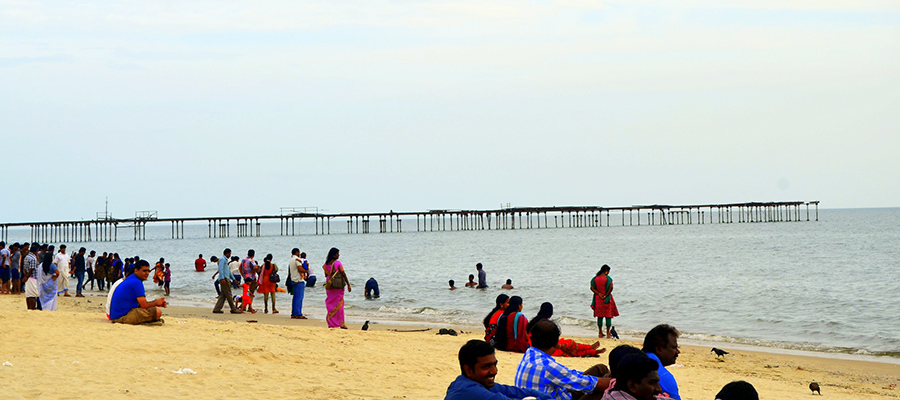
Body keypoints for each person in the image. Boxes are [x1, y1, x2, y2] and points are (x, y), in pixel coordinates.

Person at [514, 320, 610, 400]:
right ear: (556, 344)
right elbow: (586, 383)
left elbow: (569, 376)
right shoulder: (547, 366)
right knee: (602, 390)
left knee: (600, 369)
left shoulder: (529, 354)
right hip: (562, 397)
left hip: (556, 393)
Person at [444, 339, 552, 400]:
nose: (494, 371)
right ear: (468, 370)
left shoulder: (477, 383)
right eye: (486, 366)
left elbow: (515, 392)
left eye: (494, 365)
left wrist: (545, 397)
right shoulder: (468, 391)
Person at [528, 302, 606, 358]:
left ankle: (590, 349)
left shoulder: (536, 321)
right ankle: (591, 350)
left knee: (569, 344)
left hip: (540, 345)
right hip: (543, 346)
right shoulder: (543, 323)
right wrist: (560, 346)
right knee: (569, 345)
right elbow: (544, 340)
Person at [109, 260, 167, 324]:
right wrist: (156, 302)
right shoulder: (137, 282)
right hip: (122, 316)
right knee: (157, 312)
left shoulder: (131, 278)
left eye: (148, 271)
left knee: (152, 310)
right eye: (144, 271)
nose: (147, 273)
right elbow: (144, 305)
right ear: (136, 271)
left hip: (116, 315)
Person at [641, 324, 681, 400]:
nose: (678, 352)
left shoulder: (632, 361)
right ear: (659, 349)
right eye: (674, 347)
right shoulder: (662, 376)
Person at [323, 247, 351, 329]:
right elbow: (343, 273)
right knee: (339, 304)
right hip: (337, 285)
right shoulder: (337, 263)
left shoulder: (326, 264)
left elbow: (326, 275)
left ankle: (331, 323)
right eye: (337, 254)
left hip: (329, 284)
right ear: (334, 255)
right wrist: (348, 283)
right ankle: (341, 323)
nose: (338, 255)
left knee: (331, 303)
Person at [591, 265, 619, 339]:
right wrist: (606, 295)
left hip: (598, 299)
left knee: (599, 316)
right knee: (608, 316)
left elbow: (592, 288)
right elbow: (611, 287)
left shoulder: (595, 278)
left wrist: (599, 293)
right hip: (607, 299)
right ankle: (608, 333)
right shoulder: (608, 279)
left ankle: (600, 333)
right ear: (606, 271)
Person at [212, 248, 242, 314]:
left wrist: (234, 279)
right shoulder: (222, 259)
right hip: (224, 279)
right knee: (229, 294)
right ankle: (233, 309)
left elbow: (228, 271)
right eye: (230, 253)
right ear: (227, 253)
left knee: (223, 295)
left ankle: (217, 309)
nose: (230, 255)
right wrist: (222, 278)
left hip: (226, 278)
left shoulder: (225, 260)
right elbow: (220, 269)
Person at [37, 247, 60, 311]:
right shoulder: (52, 265)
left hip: (44, 284)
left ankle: (44, 307)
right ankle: (51, 308)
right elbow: (57, 272)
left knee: (44, 296)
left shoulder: (41, 265)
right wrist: (55, 277)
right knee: (52, 297)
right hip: (51, 283)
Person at [288, 248, 308, 319]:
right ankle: (298, 313)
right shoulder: (297, 259)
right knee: (299, 297)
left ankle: (294, 312)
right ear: (297, 252)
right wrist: (306, 271)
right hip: (299, 279)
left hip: (293, 279)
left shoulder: (291, 259)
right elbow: (300, 268)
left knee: (295, 297)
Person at [23, 244, 41, 310]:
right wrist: (27, 277)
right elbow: (32, 268)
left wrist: (25, 276)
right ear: (36, 251)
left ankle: (29, 308)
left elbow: (24, 268)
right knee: (33, 295)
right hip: (32, 277)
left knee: (28, 294)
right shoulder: (33, 258)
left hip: (28, 277)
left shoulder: (27, 257)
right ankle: (32, 308)